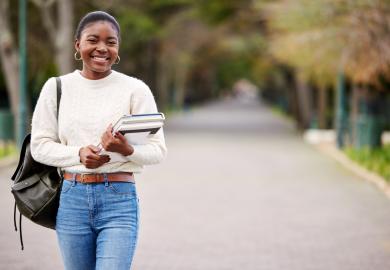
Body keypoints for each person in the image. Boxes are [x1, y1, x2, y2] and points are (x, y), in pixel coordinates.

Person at [30, 11, 167, 270]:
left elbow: (158, 150)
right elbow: (40, 145)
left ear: (118, 48)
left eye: (111, 42)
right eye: (93, 40)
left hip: (119, 198)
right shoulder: (57, 87)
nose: (102, 48)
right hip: (72, 198)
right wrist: (78, 154)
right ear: (77, 44)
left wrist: (126, 149)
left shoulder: (135, 90)